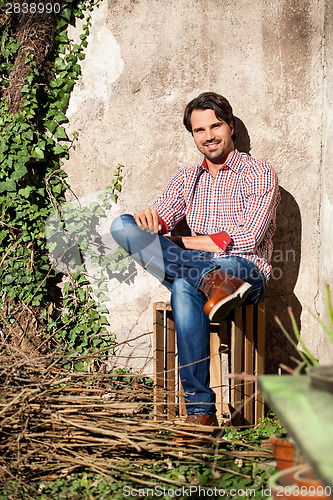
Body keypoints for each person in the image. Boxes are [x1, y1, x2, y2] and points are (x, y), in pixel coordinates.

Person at [110, 92, 280, 443]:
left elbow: (246, 239)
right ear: (192, 135)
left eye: (215, 126)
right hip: (206, 274)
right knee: (122, 227)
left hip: (243, 272)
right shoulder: (186, 178)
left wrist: (180, 242)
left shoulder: (258, 173)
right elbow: (155, 228)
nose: (209, 136)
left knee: (188, 278)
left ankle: (199, 411)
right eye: (199, 130)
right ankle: (202, 417)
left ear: (230, 127)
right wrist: (149, 224)